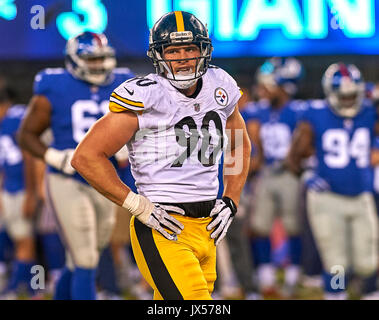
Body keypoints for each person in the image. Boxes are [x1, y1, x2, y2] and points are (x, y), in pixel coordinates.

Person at [71, 11, 251, 300]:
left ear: (203, 50)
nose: (182, 57)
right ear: (159, 55)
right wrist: (136, 204)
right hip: (163, 224)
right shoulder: (147, 95)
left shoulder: (221, 85)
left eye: (189, 48)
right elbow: (86, 157)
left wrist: (231, 199)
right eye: (173, 50)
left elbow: (238, 143)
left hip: (208, 226)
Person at [17, 32, 135, 300]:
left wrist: (128, 144)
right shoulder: (54, 86)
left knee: (88, 252)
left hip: (105, 178)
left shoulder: (123, 83)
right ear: (73, 60)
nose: (98, 65)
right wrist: (54, 157)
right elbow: (26, 135)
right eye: (91, 59)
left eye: (102, 58)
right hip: (67, 178)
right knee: (86, 258)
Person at [286, 62, 379, 300]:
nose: (348, 100)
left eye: (352, 95)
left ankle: (369, 292)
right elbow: (293, 156)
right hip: (327, 197)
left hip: (361, 194)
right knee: (336, 260)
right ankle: (336, 294)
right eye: (343, 96)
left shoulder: (369, 111)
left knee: (368, 259)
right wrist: (307, 175)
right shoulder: (315, 113)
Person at [245, 57, 306, 297]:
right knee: (260, 226)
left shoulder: (297, 112)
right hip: (265, 173)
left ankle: (293, 276)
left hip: (290, 173)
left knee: (293, 226)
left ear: (283, 86)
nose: (263, 90)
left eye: (269, 85)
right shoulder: (256, 112)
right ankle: (266, 276)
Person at [0, 86, 40, 299]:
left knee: (27, 241)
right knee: (21, 240)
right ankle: (32, 287)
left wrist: (31, 194)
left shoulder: (17, 117)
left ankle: (22, 287)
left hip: (24, 189)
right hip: (11, 189)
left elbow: (29, 158)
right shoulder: (5, 122)